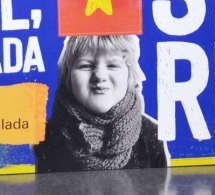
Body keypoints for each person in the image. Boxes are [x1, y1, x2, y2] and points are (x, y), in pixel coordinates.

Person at [34, 35, 168, 171]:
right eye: (86, 66)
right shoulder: (44, 138)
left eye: (113, 65)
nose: (100, 76)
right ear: (68, 76)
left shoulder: (151, 136)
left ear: (130, 75)